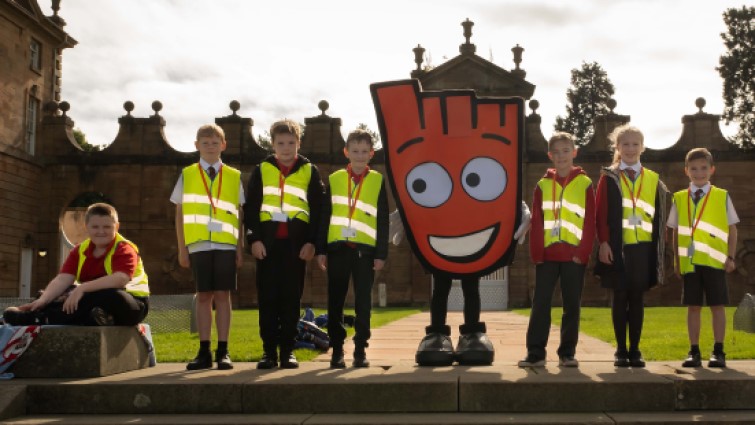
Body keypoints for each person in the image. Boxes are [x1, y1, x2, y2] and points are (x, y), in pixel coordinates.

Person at [244, 119, 324, 369]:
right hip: (267, 246)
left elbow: (319, 211)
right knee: (268, 300)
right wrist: (253, 239)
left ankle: (288, 351)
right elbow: (251, 208)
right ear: (273, 144)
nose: (286, 148)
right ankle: (268, 352)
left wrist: (312, 242)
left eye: (291, 142)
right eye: (281, 143)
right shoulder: (262, 169)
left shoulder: (310, 171)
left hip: (296, 247)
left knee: (291, 300)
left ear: (299, 143)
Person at [3, 203, 150, 327]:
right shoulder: (79, 250)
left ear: (116, 227)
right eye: (95, 227)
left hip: (132, 305)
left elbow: (120, 279)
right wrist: (44, 300)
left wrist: (82, 289)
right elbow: (62, 279)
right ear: (87, 227)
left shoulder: (124, 248)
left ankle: (42, 318)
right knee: (56, 294)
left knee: (108, 295)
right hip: (92, 303)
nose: (101, 232)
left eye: (107, 227)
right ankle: (37, 309)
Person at [518, 132, 595, 368]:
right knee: (540, 304)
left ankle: (567, 353)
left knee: (572, 305)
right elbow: (538, 221)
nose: (561, 156)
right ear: (550, 155)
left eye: (566, 151)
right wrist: (537, 254)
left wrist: (582, 253)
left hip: (574, 256)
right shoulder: (542, 185)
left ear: (574, 153)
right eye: (557, 152)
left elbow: (589, 220)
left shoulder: (585, 183)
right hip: (548, 256)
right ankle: (535, 353)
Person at [172, 123, 244, 371]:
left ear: (223, 145)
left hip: (225, 244)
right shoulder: (187, 174)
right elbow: (179, 213)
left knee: (223, 296)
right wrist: (182, 248)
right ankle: (204, 352)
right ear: (196, 146)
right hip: (199, 244)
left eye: (215, 143)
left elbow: (238, 212)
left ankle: (223, 351)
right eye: (205, 143)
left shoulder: (234, 176)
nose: (210, 147)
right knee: (203, 296)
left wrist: (239, 246)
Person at [594, 125, 668, 368]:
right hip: (617, 246)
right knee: (619, 295)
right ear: (617, 147)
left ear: (642, 147)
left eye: (635, 144)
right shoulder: (609, 176)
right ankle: (620, 350)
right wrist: (603, 242)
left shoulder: (655, 180)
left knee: (637, 298)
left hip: (643, 249)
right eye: (625, 144)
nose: (630, 148)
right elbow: (600, 212)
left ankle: (635, 350)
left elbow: (664, 214)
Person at [316, 128, 389, 369]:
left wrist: (381, 254)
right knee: (335, 301)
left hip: (365, 252)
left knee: (363, 303)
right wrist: (321, 249)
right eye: (355, 151)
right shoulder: (335, 178)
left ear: (371, 154)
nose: (359, 155)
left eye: (364, 151)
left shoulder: (378, 180)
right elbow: (325, 214)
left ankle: (360, 349)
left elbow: (382, 220)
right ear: (346, 152)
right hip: (338, 249)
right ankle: (337, 350)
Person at [667, 148, 738, 368]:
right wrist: (677, 261)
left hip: (715, 262)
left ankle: (718, 351)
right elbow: (674, 232)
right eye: (694, 169)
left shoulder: (722, 195)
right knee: (693, 307)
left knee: (717, 306)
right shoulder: (679, 198)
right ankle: (694, 351)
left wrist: (731, 256)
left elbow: (732, 229)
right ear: (686, 171)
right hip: (690, 263)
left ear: (712, 170)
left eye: (704, 168)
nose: (699, 173)